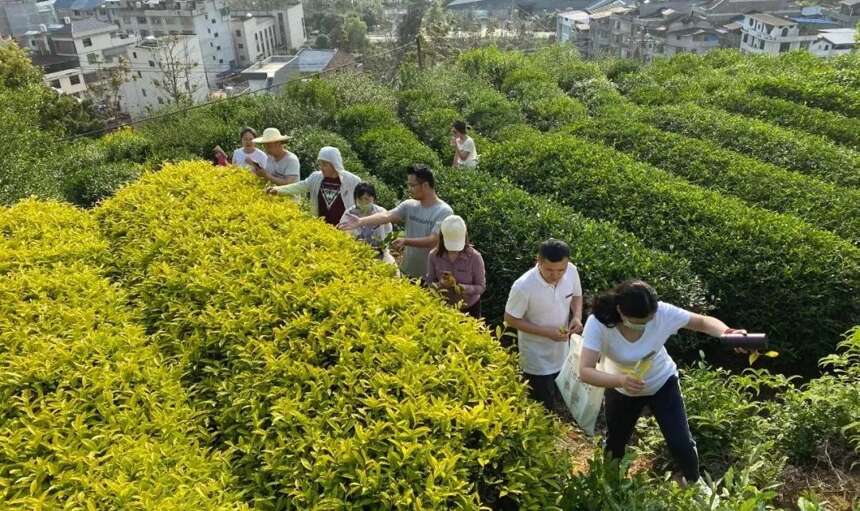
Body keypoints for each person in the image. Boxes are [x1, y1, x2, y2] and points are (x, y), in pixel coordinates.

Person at [578, 280, 746, 491]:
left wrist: (727, 333)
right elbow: (585, 370)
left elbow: (702, 322)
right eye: (637, 322)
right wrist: (620, 381)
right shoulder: (599, 323)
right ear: (620, 310)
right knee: (615, 443)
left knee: (681, 442)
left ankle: (694, 482)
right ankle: (611, 484)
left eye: (648, 321)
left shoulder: (662, 313)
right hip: (621, 388)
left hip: (662, 381)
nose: (644, 326)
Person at [504, 239, 583, 412]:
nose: (555, 275)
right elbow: (510, 318)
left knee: (559, 395)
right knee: (542, 405)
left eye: (560, 270)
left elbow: (577, 296)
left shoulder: (571, 271)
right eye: (549, 270)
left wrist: (577, 316)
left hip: (562, 351)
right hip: (535, 357)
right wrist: (546, 333)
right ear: (538, 261)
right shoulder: (523, 286)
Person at [338, 164, 453, 279]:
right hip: (407, 270)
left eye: (412, 185)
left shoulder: (443, 211)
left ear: (426, 185)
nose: (409, 189)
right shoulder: (410, 205)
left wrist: (406, 241)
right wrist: (360, 221)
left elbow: (433, 240)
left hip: (431, 274)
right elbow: (387, 215)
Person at [266, 146, 360, 226]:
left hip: (346, 227)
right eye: (320, 164)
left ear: (334, 164)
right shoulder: (316, 177)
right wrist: (278, 190)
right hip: (323, 226)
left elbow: (362, 202)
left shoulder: (352, 180)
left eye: (325, 165)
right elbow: (299, 186)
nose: (321, 167)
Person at [425, 215, 486, 319]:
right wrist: (440, 285)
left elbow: (481, 287)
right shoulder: (433, 256)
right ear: (442, 237)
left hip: (469, 309)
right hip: (443, 307)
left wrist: (463, 288)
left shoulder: (475, 257)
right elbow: (429, 283)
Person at [343, 182, 396, 264]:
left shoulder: (381, 212)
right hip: (355, 254)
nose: (363, 202)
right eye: (360, 199)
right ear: (355, 199)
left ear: (374, 198)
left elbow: (388, 233)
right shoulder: (349, 214)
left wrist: (383, 247)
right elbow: (343, 234)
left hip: (379, 254)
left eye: (367, 199)